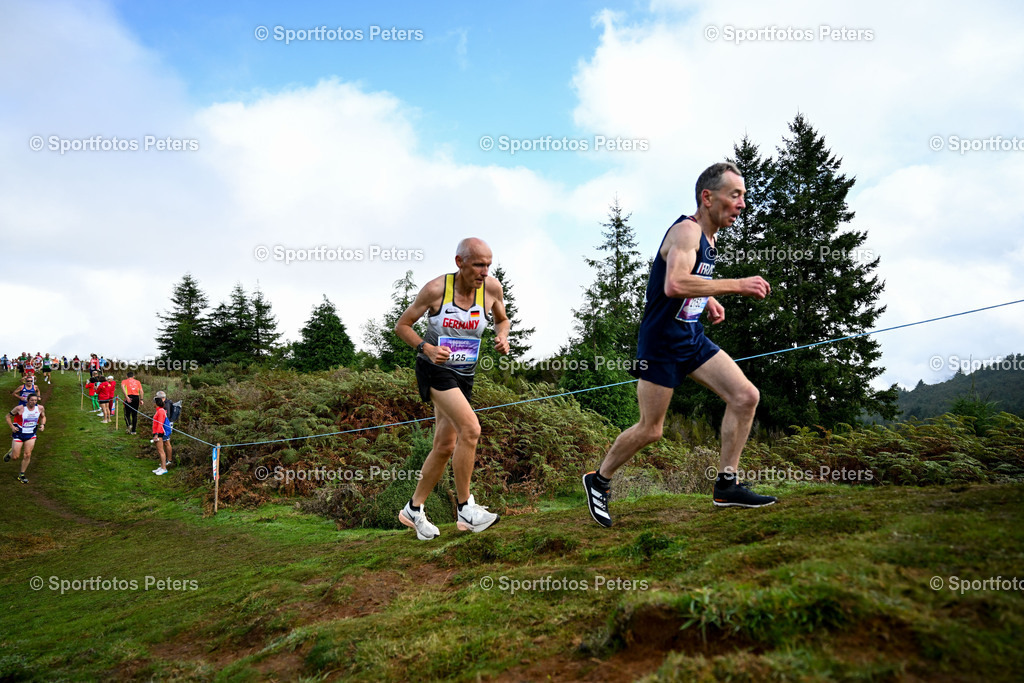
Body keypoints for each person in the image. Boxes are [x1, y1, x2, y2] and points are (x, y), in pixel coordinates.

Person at [583, 162, 777, 528]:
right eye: (735, 195)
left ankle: (726, 485)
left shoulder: (710, 237)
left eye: (744, 196)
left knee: (745, 396)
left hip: (691, 339)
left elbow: (689, 283)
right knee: (651, 429)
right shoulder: (687, 231)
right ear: (707, 197)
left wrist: (709, 301)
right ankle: (599, 479)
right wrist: (735, 285)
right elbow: (674, 284)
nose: (742, 204)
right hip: (661, 346)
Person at [393, 237, 510, 540]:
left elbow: (502, 319)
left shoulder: (492, 289)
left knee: (445, 446)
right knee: (471, 429)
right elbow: (402, 325)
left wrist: (502, 336)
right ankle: (466, 509)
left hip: (464, 375)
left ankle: (413, 508)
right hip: (434, 370)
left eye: (488, 265)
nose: (484, 272)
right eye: (478, 265)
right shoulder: (436, 290)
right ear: (459, 263)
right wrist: (426, 348)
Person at [5, 392, 45, 484]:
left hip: (31, 435)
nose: (33, 402)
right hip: (19, 434)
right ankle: (10, 454)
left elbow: (43, 417)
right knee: (15, 457)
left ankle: (22, 475)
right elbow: (7, 417)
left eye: (35, 400)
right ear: (27, 400)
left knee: (27, 454)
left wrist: (43, 424)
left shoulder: (40, 408)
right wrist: (12, 427)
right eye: (31, 400)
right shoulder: (19, 408)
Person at [151, 397, 169, 475]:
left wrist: (156, 434)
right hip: (156, 432)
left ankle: (164, 468)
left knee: (161, 451)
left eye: (154, 402)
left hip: (159, 433)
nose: (153, 404)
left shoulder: (161, 411)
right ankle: (162, 466)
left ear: (156, 403)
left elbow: (160, 423)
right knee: (159, 450)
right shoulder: (158, 411)